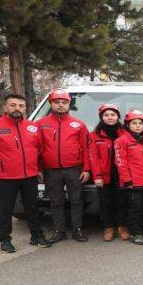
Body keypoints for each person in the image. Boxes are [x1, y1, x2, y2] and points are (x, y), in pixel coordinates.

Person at [0, 94, 51, 253]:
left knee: (32, 207)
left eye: (21, 106)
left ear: (25, 108)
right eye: (13, 105)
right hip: (5, 177)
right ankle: (5, 239)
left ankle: (36, 235)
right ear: (5, 108)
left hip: (29, 175)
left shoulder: (32, 127)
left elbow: (39, 150)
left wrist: (36, 168)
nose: (17, 108)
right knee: (6, 209)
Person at [36, 89, 90, 243]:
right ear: (51, 104)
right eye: (57, 102)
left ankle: (77, 229)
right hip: (51, 170)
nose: (60, 105)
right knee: (56, 201)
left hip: (74, 169)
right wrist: (38, 169)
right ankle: (59, 231)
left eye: (64, 102)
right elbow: (36, 149)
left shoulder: (78, 124)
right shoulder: (40, 124)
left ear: (69, 104)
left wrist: (86, 169)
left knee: (76, 200)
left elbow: (86, 148)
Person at [114, 110, 143, 245]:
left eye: (140, 123)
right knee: (135, 209)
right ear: (128, 125)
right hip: (133, 183)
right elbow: (120, 161)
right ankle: (135, 233)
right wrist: (127, 180)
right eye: (134, 123)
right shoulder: (121, 141)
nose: (138, 126)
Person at [89, 103, 129, 242]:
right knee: (105, 202)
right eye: (106, 115)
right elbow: (93, 157)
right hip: (104, 173)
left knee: (121, 201)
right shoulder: (94, 135)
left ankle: (122, 226)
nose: (110, 117)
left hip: (121, 173)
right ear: (102, 117)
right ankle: (108, 228)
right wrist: (97, 176)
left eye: (113, 115)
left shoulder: (126, 133)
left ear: (118, 116)